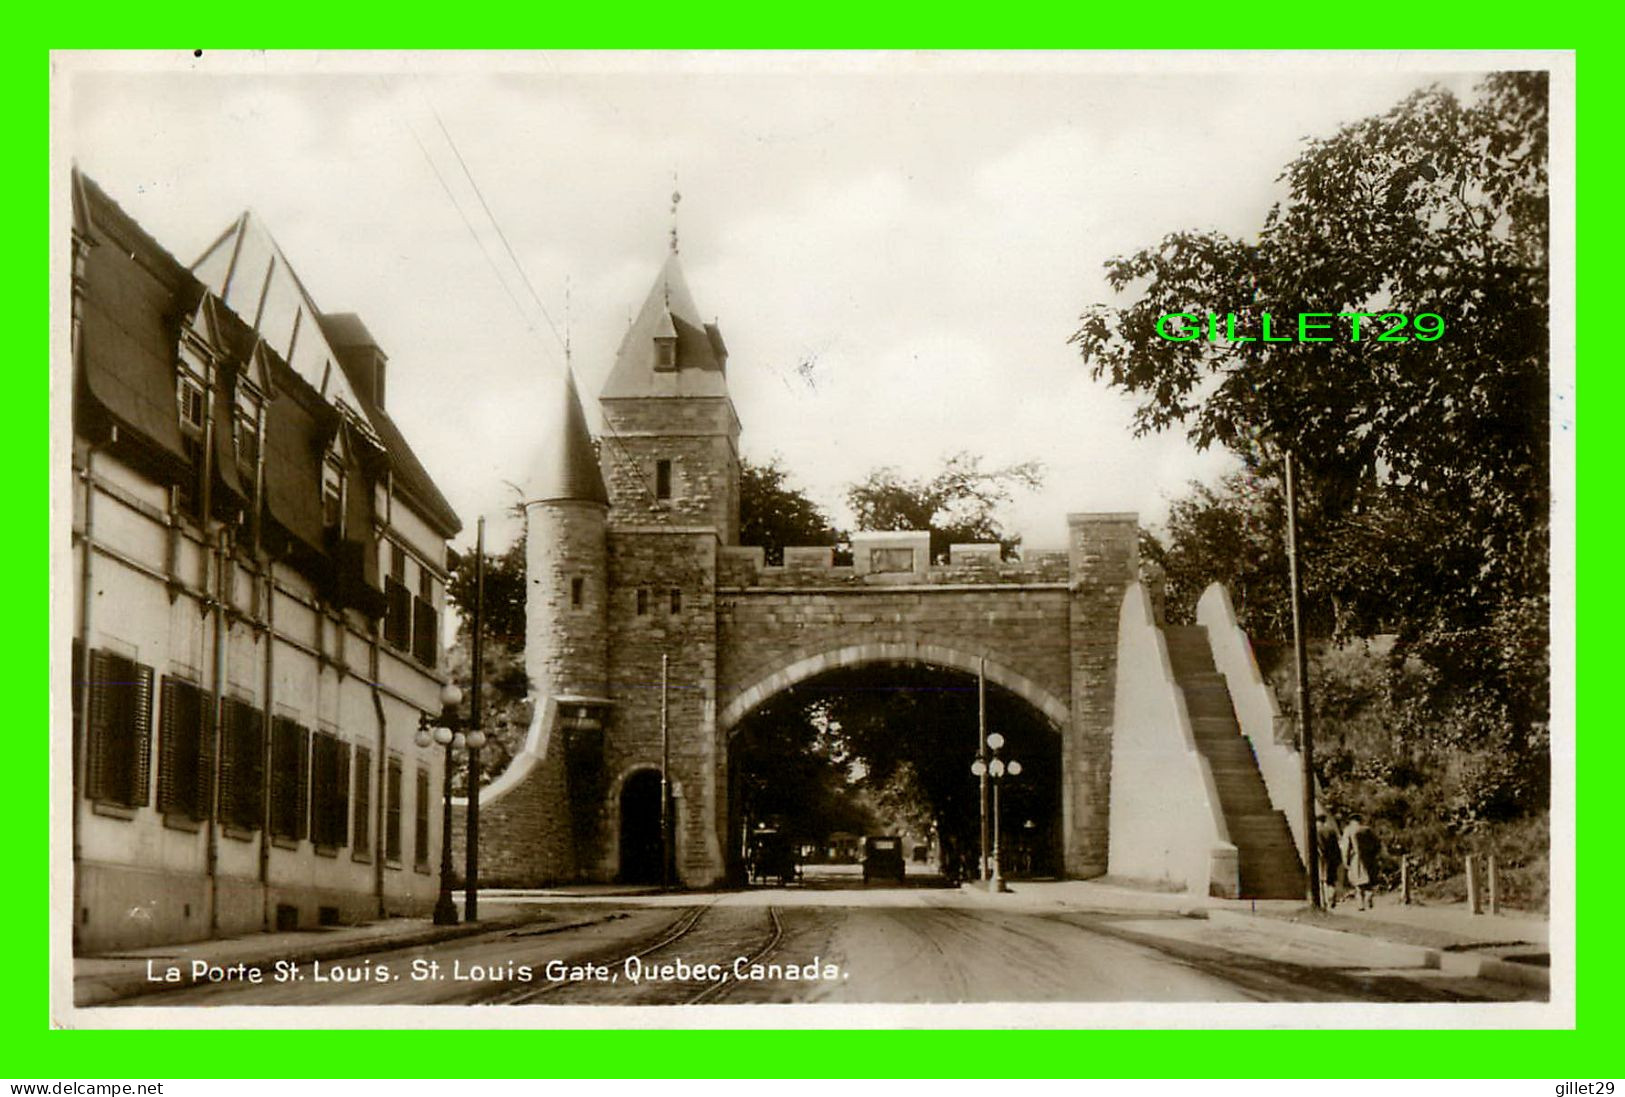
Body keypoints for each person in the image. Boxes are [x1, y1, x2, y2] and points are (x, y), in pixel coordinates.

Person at [1341, 813, 1382, 911]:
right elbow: (1378, 845)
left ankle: (1361, 904)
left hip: (1356, 858)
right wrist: (1374, 855)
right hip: (1369, 858)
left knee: (1358, 882)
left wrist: (1345, 860)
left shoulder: (1349, 830)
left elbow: (1346, 847)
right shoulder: (1368, 830)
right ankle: (1369, 896)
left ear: (1351, 821)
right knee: (1369, 881)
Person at [1315, 809, 1343, 910]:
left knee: (1322, 880)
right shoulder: (1331, 831)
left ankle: (1325, 901)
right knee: (1331, 880)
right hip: (1332, 858)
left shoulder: (1315, 830)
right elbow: (1336, 846)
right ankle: (1332, 899)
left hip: (1321, 858)